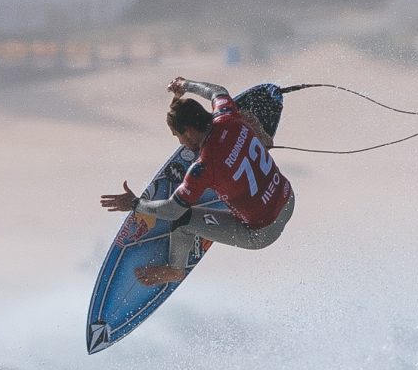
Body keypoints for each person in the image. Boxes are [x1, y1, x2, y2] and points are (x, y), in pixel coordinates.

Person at [99, 76, 295, 287]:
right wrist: (185, 85)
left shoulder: (203, 167)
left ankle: (174, 270)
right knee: (244, 119)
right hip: (287, 198)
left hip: (262, 232)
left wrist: (135, 204)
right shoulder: (228, 115)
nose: (180, 143)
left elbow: (172, 210)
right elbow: (218, 90)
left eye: (178, 136)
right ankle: (259, 143)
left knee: (183, 220)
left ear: (189, 131)